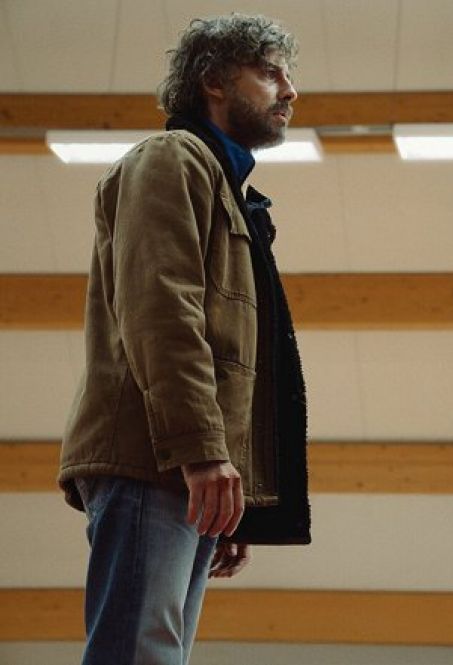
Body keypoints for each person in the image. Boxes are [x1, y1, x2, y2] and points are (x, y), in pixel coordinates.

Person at [60, 14, 311, 665]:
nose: (289, 90)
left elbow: (230, 350)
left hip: (181, 460)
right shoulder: (171, 159)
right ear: (213, 81)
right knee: (139, 653)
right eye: (270, 72)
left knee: (155, 652)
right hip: (156, 453)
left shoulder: (228, 189)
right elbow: (163, 310)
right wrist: (203, 455)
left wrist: (234, 488)